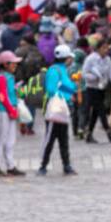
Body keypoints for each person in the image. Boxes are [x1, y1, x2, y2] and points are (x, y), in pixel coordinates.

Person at [38, 44, 77, 176]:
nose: (71, 60)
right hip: (55, 109)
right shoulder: (55, 71)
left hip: (63, 110)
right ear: (66, 58)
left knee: (64, 139)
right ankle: (43, 165)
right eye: (70, 58)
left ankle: (66, 165)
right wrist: (68, 92)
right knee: (50, 139)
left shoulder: (62, 70)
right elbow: (51, 90)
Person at [0, 50, 25, 177]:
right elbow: (2, 97)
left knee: (11, 140)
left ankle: (11, 166)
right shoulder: (0, 78)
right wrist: (11, 110)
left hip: (10, 110)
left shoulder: (10, 77)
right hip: (2, 111)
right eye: (13, 63)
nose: (15, 65)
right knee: (0, 140)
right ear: (5, 64)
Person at [80, 35, 111, 143]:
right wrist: (95, 77)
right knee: (101, 109)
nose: (106, 50)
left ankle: (89, 134)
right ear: (98, 49)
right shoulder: (91, 59)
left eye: (107, 48)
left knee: (96, 112)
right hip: (92, 88)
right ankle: (109, 131)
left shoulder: (108, 59)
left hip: (102, 88)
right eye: (104, 48)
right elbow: (84, 74)